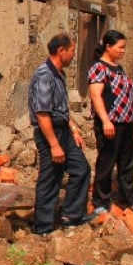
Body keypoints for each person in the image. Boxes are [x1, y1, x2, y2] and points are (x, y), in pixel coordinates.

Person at [28, 33, 94, 235]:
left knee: (81, 169)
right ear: (61, 51)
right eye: (72, 50)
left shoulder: (59, 73)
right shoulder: (44, 76)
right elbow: (42, 114)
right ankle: (43, 227)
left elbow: (60, 109)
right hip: (50, 133)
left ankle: (71, 215)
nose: (74, 54)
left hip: (63, 130)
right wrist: (54, 144)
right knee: (50, 178)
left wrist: (73, 129)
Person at [87, 30, 133, 216]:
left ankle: (131, 200)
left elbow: (126, 96)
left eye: (124, 47)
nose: (123, 51)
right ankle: (101, 201)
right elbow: (96, 96)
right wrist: (105, 121)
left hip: (125, 123)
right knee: (106, 162)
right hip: (110, 124)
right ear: (108, 47)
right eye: (120, 47)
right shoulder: (98, 68)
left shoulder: (118, 68)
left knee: (127, 163)